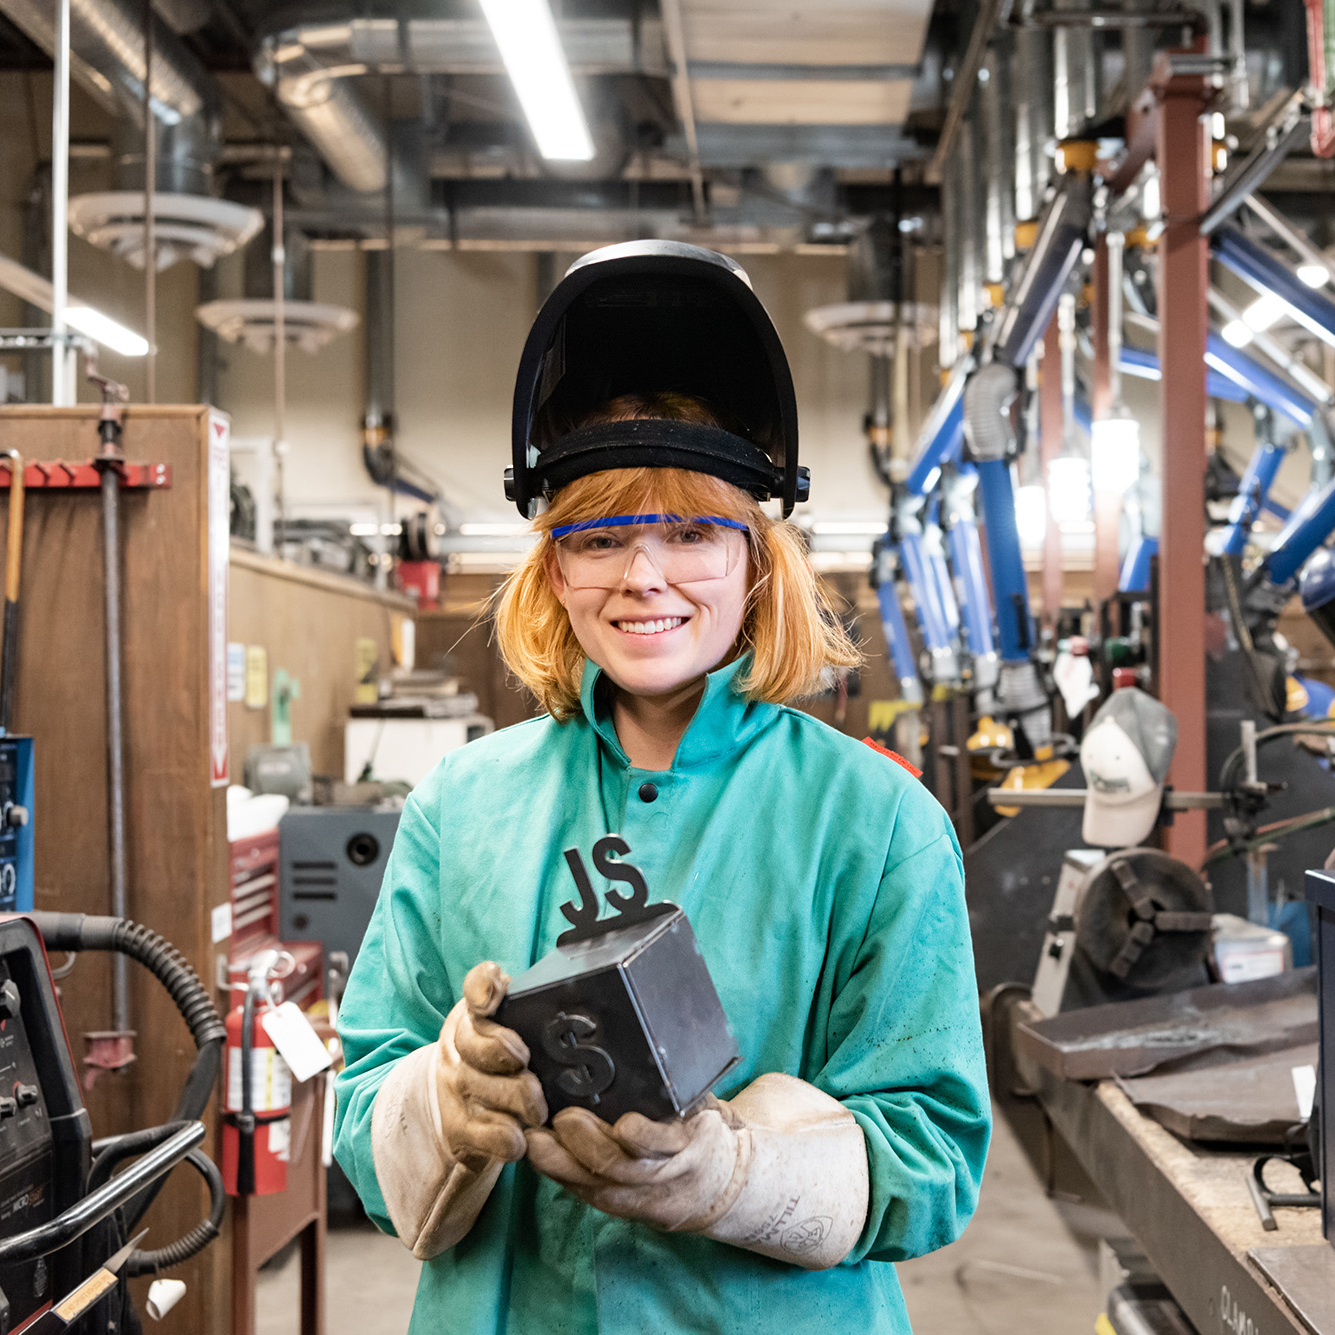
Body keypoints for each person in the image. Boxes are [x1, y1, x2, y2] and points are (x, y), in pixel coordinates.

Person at [332, 240, 991, 1334]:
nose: (644, 577)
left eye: (691, 533)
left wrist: (736, 1175)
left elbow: (932, 1154)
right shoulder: (461, 806)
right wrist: (442, 1102)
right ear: (555, 568)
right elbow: (364, 1102)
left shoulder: (877, 824)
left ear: (755, 561)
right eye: (600, 538)